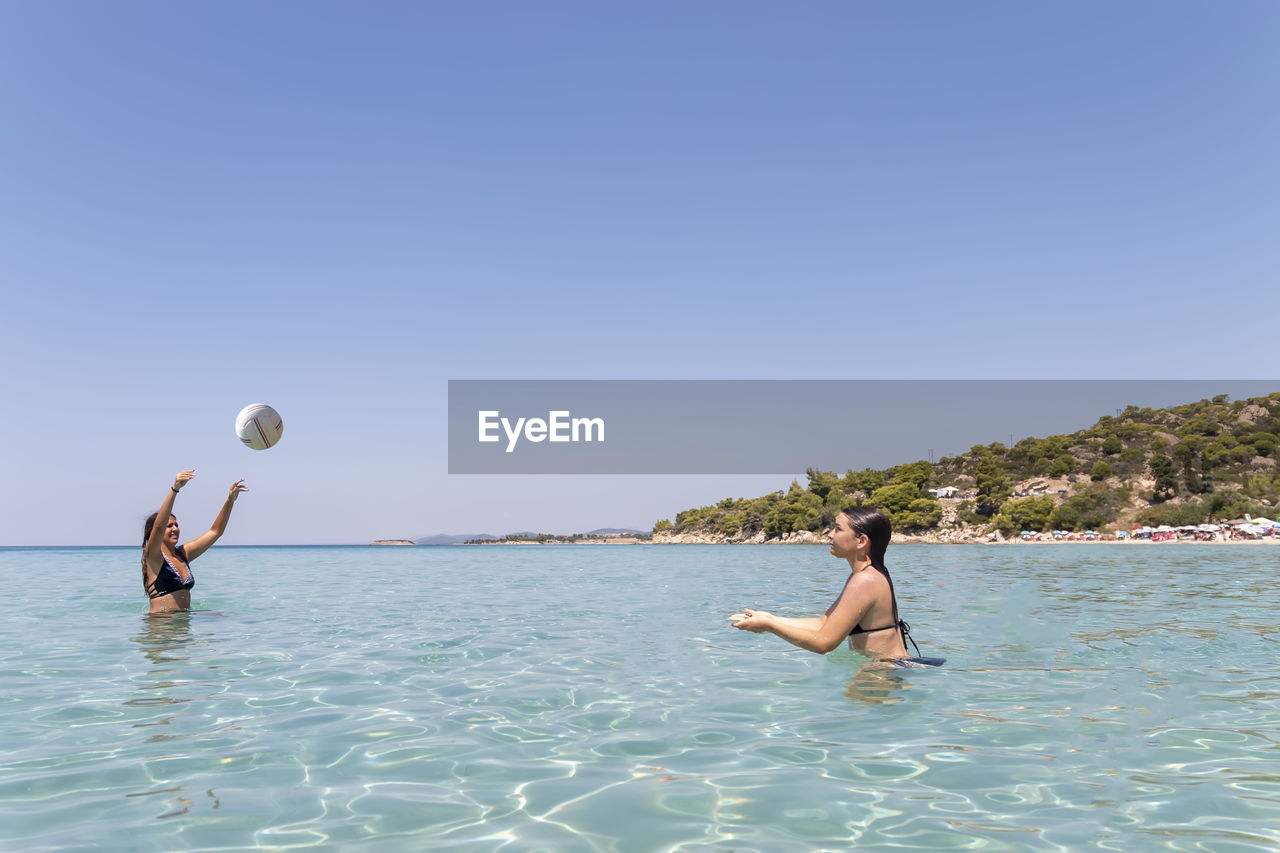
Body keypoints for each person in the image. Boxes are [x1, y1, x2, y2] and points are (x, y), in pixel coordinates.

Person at [730, 506, 938, 665]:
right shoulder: (867, 574)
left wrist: (769, 627)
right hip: (890, 668)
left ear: (861, 541)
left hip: (883, 673)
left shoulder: (864, 580)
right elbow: (823, 623)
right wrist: (770, 618)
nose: (829, 534)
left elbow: (824, 643)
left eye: (838, 529)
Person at [142, 470, 247, 613]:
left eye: (176, 525)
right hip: (160, 628)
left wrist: (230, 501)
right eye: (170, 526)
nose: (175, 529)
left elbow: (215, 532)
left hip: (182, 624)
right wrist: (175, 489)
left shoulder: (183, 554)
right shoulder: (153, 556)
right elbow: (159, 527)